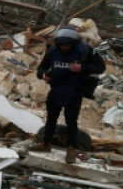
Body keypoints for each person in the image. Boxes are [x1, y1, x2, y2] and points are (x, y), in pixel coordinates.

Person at [31, 27, 105, 163]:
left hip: (74, 91)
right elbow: (41, 68)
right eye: (62, 45)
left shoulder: (85, 50)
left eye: (67, 45)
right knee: (51, 119)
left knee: (71, 122)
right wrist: (43, 75)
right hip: (56, 90)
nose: (64, 48)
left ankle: (71, 149)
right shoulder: (53, 51)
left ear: (74, 44)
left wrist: (82, 68)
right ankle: (45, 144)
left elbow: (101, 68)